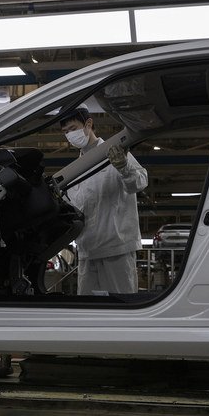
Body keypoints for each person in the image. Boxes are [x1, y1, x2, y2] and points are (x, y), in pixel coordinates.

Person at [60, 104, 148, 295]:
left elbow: (140, 182)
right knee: (88, 316)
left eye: (73, 129)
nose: (69, 135)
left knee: (120, 312)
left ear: (88, 124)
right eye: (65, 132)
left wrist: (124, 167)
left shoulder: (115, 152)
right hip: (87, 252)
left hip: (116, 249)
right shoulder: (74, 171)